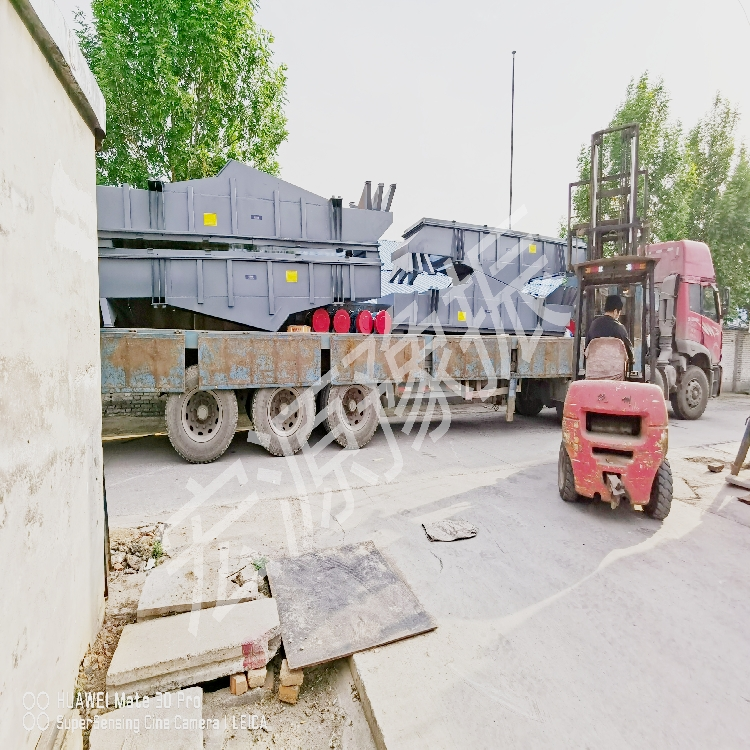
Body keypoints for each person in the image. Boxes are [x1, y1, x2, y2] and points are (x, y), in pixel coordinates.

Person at [586, 294, 633, 367]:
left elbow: (586, 349)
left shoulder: (593, 325)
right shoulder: (620, 328)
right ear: (615, 311)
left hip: (594, 370)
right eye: (619, 313)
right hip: (615, 372)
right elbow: (629, 354)